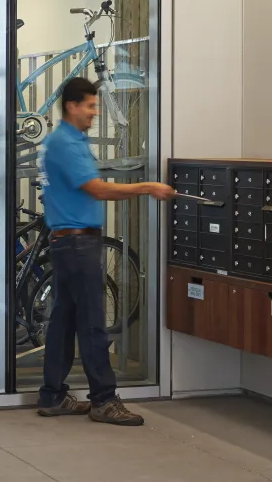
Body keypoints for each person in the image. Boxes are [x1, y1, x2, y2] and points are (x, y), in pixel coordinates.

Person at [36, 77, 174, 426]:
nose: (94, 113)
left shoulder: (62, 142)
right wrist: (147, 187)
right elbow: (97, 189)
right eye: (90, 106)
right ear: (72, 106)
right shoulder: (65, 143)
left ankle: (53, 396)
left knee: (64, 322)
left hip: (67, 242)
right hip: (78, 244)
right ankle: (104, 401)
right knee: (93, 323)